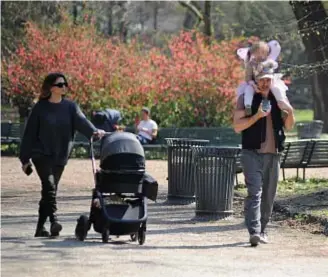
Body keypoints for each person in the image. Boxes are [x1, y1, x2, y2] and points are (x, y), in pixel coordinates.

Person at [19, 72, 105, 238]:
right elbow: (29, 134)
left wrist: (94, 132)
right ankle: (54, 221)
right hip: (41, 153)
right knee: (49, 186)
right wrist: (24, 158)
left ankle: (40, 228)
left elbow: (82, 122)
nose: (63, 87)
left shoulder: (71, 107)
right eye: (60, 84)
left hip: (60, 155)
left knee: (49, 192)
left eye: (65, 84)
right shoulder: (40, 108)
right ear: (51, 87)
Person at [233, 69, 295, 247]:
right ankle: (254, 231)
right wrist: (257, 116)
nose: (265, 83)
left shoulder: (278, 98)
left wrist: (289, 111)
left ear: (272, 80)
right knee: (255, 193)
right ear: (255, 80)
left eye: (268, 80)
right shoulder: (246, 99)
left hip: (273, 154)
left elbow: (289, 126)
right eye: (262, 80)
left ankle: (262, 230)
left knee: (268, 195)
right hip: (251, 153)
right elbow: (237, 126)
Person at [236, 40, 292, 116]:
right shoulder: (251, 64)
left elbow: (275, 65)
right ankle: (248, 106)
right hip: (256, 82)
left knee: (277, 90)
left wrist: (265, 64)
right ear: (253, 53)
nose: (260, 55)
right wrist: (253, 84)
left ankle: (282, 108)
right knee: (248, 90)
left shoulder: (268, 61)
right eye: (257, 52)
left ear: (266, 52)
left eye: (262, 52)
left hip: (269, 81)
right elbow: (248, 77)